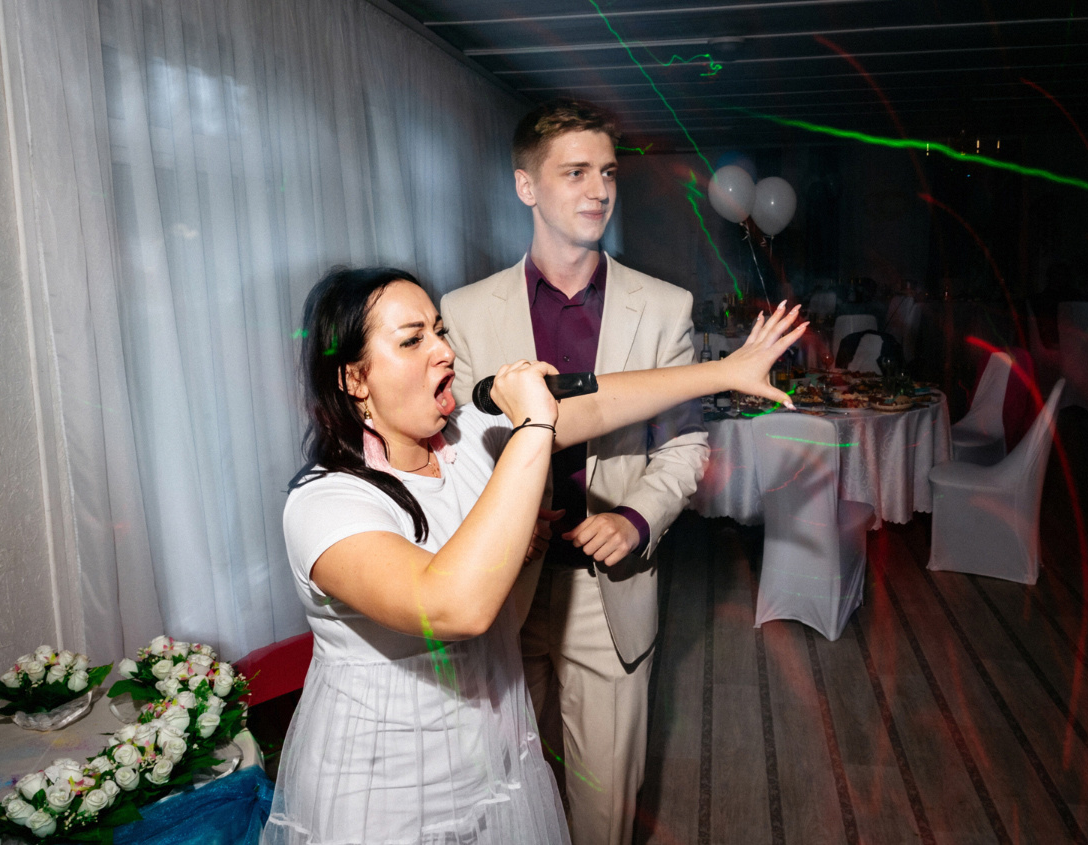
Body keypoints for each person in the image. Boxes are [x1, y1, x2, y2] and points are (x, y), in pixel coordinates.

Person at [261, 266, 805, 845]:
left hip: (491, 764)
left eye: (439, 331)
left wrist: (724, 371)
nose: (445, 351)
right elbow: (452, 606)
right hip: (384, 792)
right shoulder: (325, 503)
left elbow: (601, 406)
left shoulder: (464, 438)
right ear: (354, 378)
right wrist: (533, 425)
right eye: (413, 340)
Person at [440, 98, 709, 845]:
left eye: (609, 173)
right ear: (526, 185)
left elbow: (684, 444)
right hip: (501, 587)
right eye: (576, 172)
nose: (599, 190)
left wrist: (635, 518)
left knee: (604, 802)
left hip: (607, 589)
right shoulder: (463, 311)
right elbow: (453, 447)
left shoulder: (665, 308)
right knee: (503, 791)